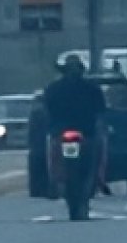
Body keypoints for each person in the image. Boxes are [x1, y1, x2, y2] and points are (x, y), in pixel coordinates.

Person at [43, 55, 111, 195]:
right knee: (99, 149)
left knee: (56, 152)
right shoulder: (92, 88)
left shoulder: (53, 88)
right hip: (84, 131)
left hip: (68, 131)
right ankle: (98, 179)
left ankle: (56, 181)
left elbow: (46, 110)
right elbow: (101, 111)